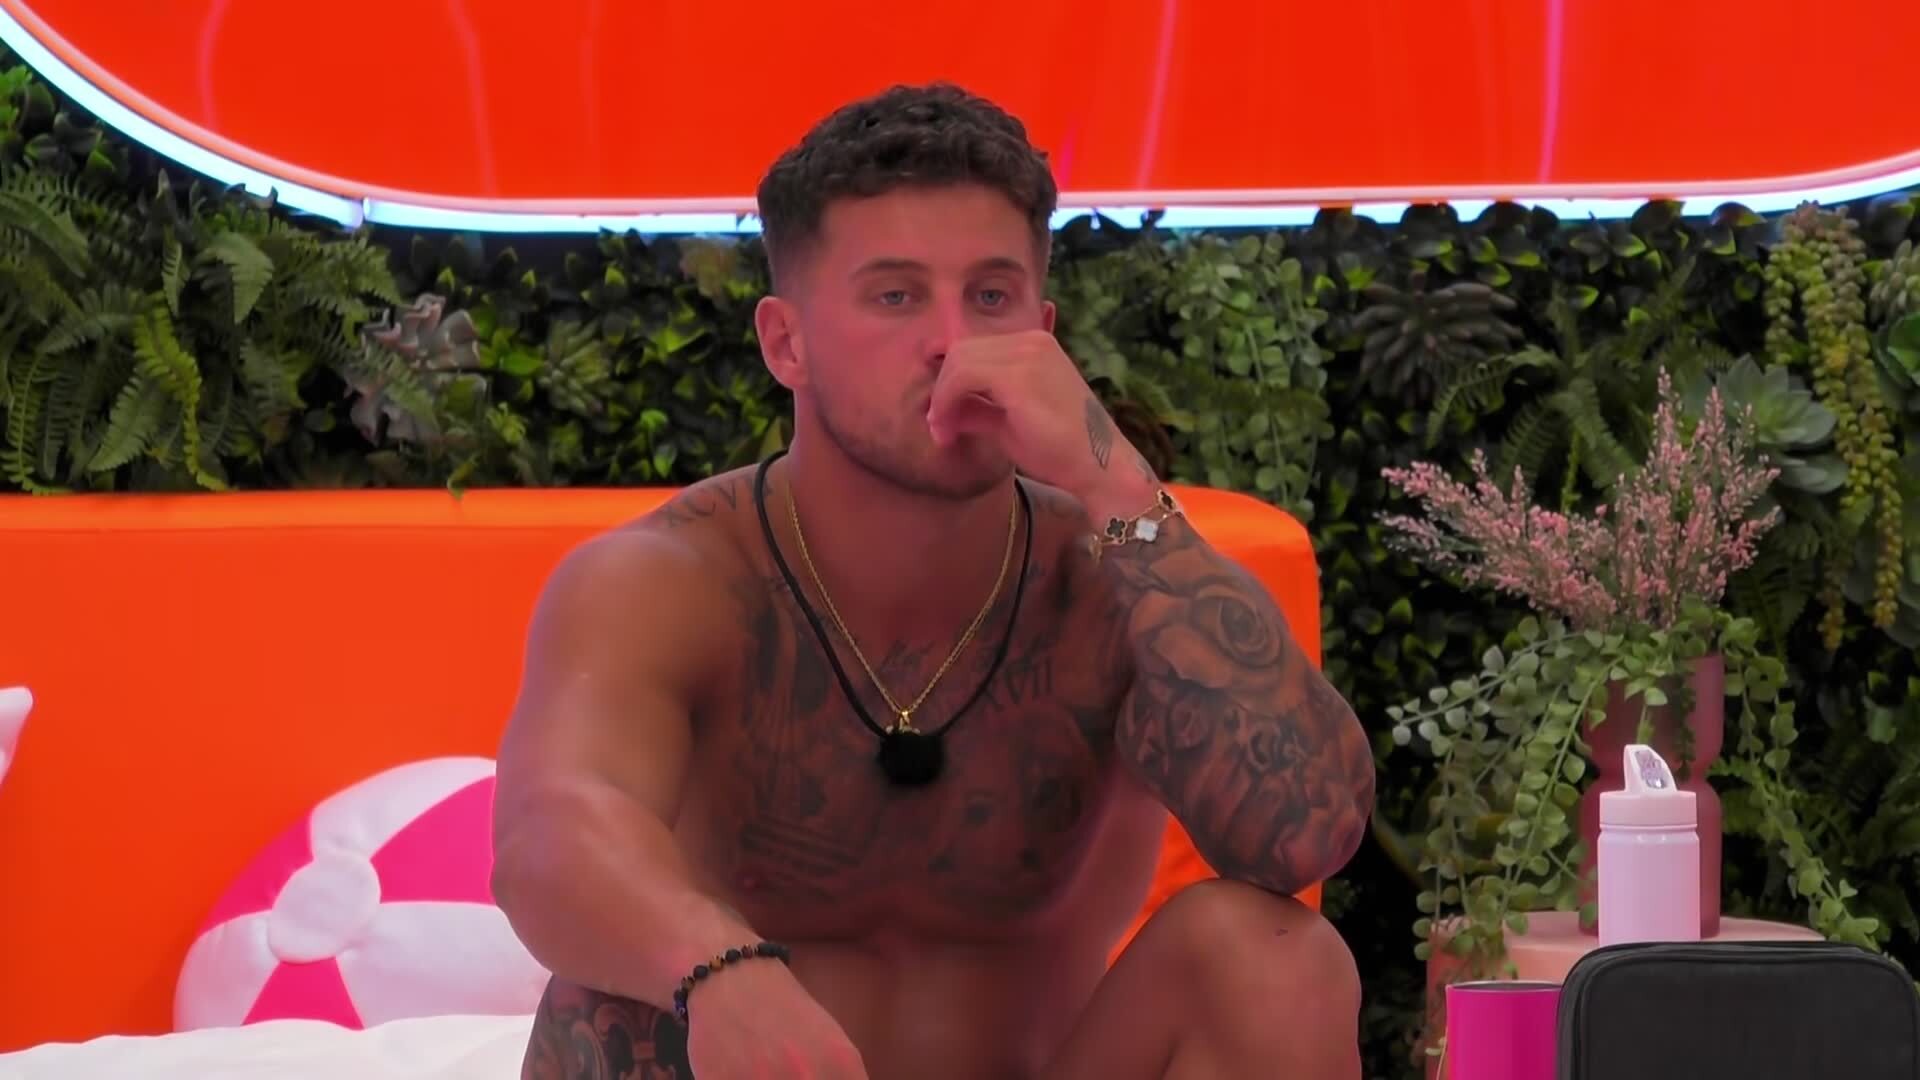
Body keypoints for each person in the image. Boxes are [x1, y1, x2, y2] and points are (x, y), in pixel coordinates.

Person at [491, 82, 1377, 1080]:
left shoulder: (1115, 575)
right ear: (787, 343)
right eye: (896, 296)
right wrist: (716, 968)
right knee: (614, 992)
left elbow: (1306, 836)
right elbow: (549, 837)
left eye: (991, 297)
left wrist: (1113, 478)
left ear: (1044, 329)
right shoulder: (671, 580)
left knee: (1274, 959)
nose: (954, 340)